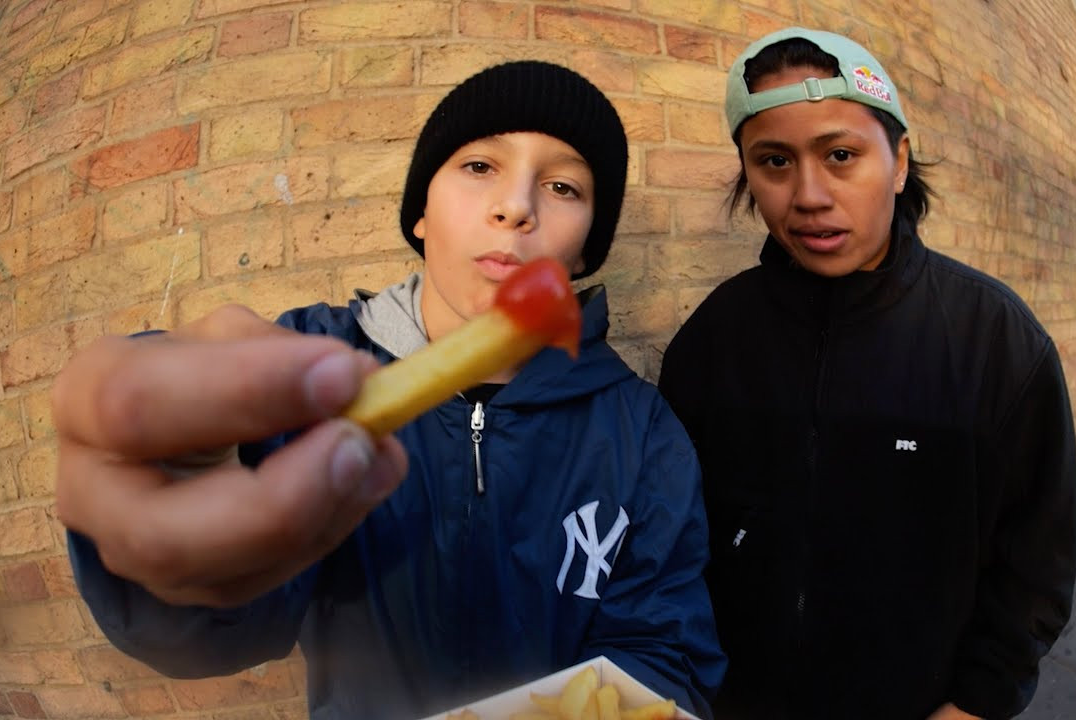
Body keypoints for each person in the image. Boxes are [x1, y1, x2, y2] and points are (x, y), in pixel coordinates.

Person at [56, 61, 725, 719]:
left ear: (584, 250)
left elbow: (665, 656)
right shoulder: (298, 370)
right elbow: (211, 632)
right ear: (421, 214)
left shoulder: (643, 433)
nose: (517, 207)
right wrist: (173, 495)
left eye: (563, 187)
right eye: (479, 166)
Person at [657, 28, 1076, 720]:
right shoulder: (713, 340)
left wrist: (976, 703)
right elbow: (673, 538)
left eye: (840, 155)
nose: (809, 195)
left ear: (899, 161)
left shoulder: (996, 343)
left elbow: (1036, 564)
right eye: (774, 161)